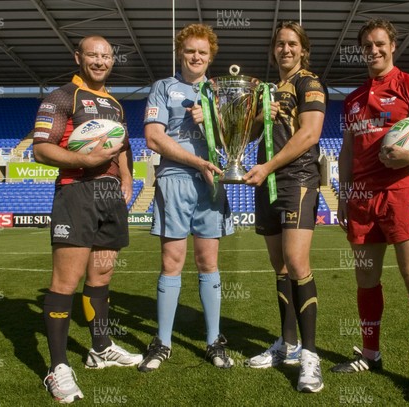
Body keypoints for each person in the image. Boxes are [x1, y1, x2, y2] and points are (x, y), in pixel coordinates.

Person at [332, 19, 409, 403]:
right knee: (366, 279)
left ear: (392, 46)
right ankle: (370, 354)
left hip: (402, 193)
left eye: (380, 44)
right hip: (363, 198)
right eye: (367, 45)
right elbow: (349, 152)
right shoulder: (353, 99)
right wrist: (343, 195)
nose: (373, 50)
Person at [32, 35, 143, 404]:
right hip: (76, 193)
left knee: (102, 276)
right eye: (92, 55)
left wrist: (126, 178)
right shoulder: (62, 97)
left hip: (110, 197)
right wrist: (86, 161)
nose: (99, 61)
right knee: (66, 281)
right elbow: (40, 149)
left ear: (113, 60)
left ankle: (100, 347)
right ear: (78, 57)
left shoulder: (114, 104)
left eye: (106, 56)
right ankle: (58, 367)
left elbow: (122, 146)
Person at [138, 23, 234, 372]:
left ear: (211, 57)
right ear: (181, 52)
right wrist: (196, 161)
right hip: (176, 178)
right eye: (191, 50)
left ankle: (213, 341)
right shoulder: (164, 88)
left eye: (203, 52)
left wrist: (212, 121)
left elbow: (230, 143)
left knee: (209, 263)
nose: (196, 57)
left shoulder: (220, 92)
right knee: (172, 262)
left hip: (210, 182)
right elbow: (153, 138)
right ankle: (162, 342)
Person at [243, 20, 326, 393]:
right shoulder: (269, 90)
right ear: (273, 49)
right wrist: (264, 113)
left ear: (303, 49)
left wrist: (268, 167)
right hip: (268, 182)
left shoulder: (310, 83)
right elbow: (251, 132)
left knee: (296, 262)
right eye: (280, 44)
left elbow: (309, 134)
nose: (286, 49)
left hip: (297, 180)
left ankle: (310, 356)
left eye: (292, 44)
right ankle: (287, 344)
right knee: (278, 265)